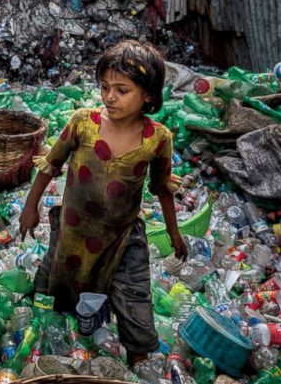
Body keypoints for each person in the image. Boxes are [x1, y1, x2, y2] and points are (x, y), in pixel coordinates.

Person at [19, 39, 188, 367]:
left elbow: (162, 188)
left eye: (122, 90)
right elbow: (50, 165)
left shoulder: (157, 139)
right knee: (57, 290)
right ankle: (59, 353)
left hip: (122, 237)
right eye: (105, 87)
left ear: (148, 95)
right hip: (74, 230)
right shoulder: (83, 122)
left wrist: (174, 232)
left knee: (134, 301)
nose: (110, 97)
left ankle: (140, 364)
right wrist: (30, 207)